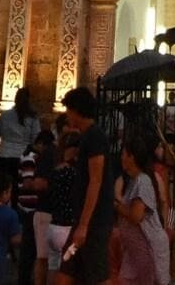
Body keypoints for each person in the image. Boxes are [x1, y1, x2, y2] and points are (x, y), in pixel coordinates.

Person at [55, 87, 115, 285]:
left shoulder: (95, 137)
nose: (67, 116)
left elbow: (95, 181)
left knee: (97, 274)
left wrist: (84, 225)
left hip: (93, 222)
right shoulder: (87, 137)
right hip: (84, 220)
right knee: (68, 271)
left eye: (69, 110)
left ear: (76, 110)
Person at [112, 146, 169, 285]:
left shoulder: (143, 181)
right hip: (134, 250)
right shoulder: (133, 180)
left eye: (124, 154)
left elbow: (136, 216)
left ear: (132, 157)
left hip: (148, 247)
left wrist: (116, 206)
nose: (121, 158)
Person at [43, 132, 85, 281]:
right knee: (67, 269)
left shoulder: (56, 170)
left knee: (53, 265)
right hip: (67, 229)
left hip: (53, 226)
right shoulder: (73, 173)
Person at [17, 131, 52, 285]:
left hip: (31, 207)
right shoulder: (30, 159)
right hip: (29, 208)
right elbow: (28, 183)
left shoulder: (34, 157)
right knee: (29, 248)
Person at [0, 91, 42, 187]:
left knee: (2, 188)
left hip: (4, 155)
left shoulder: (5, 115)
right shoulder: (33, 118)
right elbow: (36, 138)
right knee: (19, 189)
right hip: (24, 156)